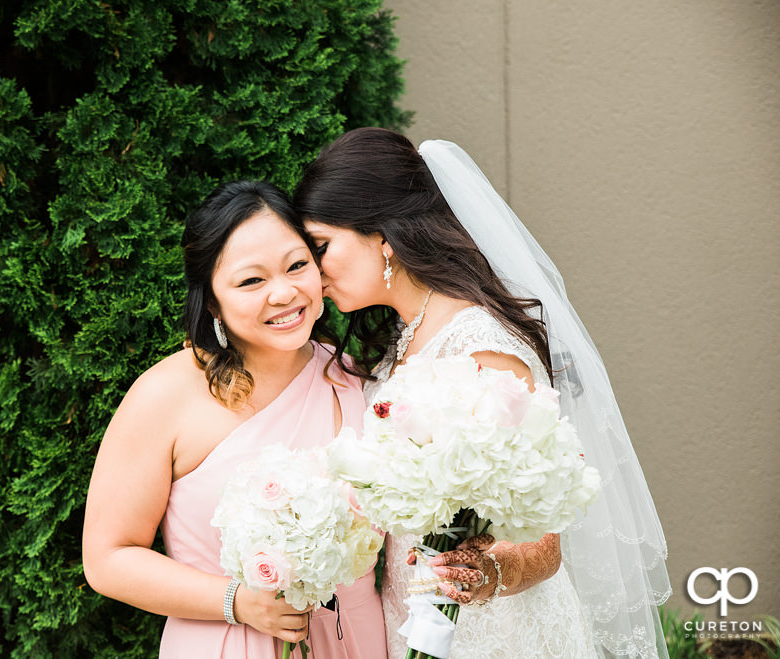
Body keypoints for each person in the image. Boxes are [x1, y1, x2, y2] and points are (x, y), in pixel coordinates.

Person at [293, 128, 671, 658]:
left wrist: (485, 574)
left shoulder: (483, 348)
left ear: (382, 237)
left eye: (322, 247)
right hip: (412, 614)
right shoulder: (401, 339)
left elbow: (544, 540)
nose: (314, 271)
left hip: (493, 631)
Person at [81, 181, 387, 658]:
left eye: (297, 265)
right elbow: (107, 559)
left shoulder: (360, 383)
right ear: (211, 301)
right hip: (224, 642)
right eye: (251, 281)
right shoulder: (167, 394)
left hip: (356, 641)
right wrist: (238, 602)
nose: (283, 293)